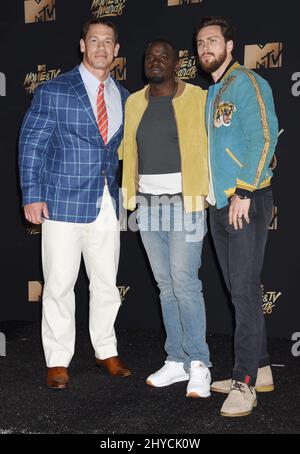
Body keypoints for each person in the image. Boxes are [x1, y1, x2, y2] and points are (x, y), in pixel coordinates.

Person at [18, 18, 131, 389]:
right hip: (61, 203)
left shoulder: (125, 96)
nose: (101, 47)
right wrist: (31, 194)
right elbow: (32, 143)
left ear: (116, 51)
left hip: (105, 203)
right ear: (82, 45)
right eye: (94, 40)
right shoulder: (54, 89)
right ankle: (57, 358)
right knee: (59, 284)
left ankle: (105, 349)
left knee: (105, 284)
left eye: (108, 42)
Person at [196, 16, 278, 416]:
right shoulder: (213, 92)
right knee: (239, 292)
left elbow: (265, 135)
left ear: (230, 46)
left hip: (245, 201)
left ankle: (244, 384)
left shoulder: (246, 82)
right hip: (220, 205)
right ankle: (259, 368)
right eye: (199, 43)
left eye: (213, 40)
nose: (205, 48)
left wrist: (245, 190)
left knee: (244, 291)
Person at [121, 39, 211, 398]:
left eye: (164, 57)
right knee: (165, 284)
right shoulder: (133, 101)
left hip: (184, 204)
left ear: (177, 64)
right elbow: (127, 149)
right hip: (146, 205)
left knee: (185, 282)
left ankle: (200, 364)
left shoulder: (198, 98)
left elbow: (213, 144)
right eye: (150, 57)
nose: (156, 61)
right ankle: (176, 360)